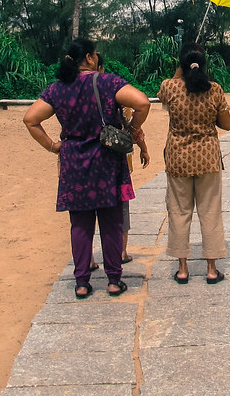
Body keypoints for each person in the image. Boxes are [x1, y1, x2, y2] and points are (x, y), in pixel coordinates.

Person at [23, 38, 150, 299]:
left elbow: (31, 119)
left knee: (79, 225)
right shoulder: (107, 82)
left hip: (74, 163)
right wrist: (131, 128)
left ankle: (82, 282)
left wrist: (53, 146)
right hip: (106, 161)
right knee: (112, 223)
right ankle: (114, 280)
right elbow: (142, 102)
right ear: (91, 58)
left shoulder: (57, 89)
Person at [158, 44, 230, 284]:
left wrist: (180, 68)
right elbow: (227, 124)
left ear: (181, 64)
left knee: (179, 211)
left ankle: (182, 268)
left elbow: (165, 93)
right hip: (207, 158)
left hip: (178, 158)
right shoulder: (215, 90)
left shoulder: (170, 87)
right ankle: (211, 269)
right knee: (209, 211)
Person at [87, 54, 148, 270]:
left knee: (86, 213)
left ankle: (90, 258)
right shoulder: (115, 92)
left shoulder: (74, 92)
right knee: (120, 207)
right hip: (114, 160)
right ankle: (120, 252)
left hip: (83, 163)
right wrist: (142, 147)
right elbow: (133, 120)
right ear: (100, 68)